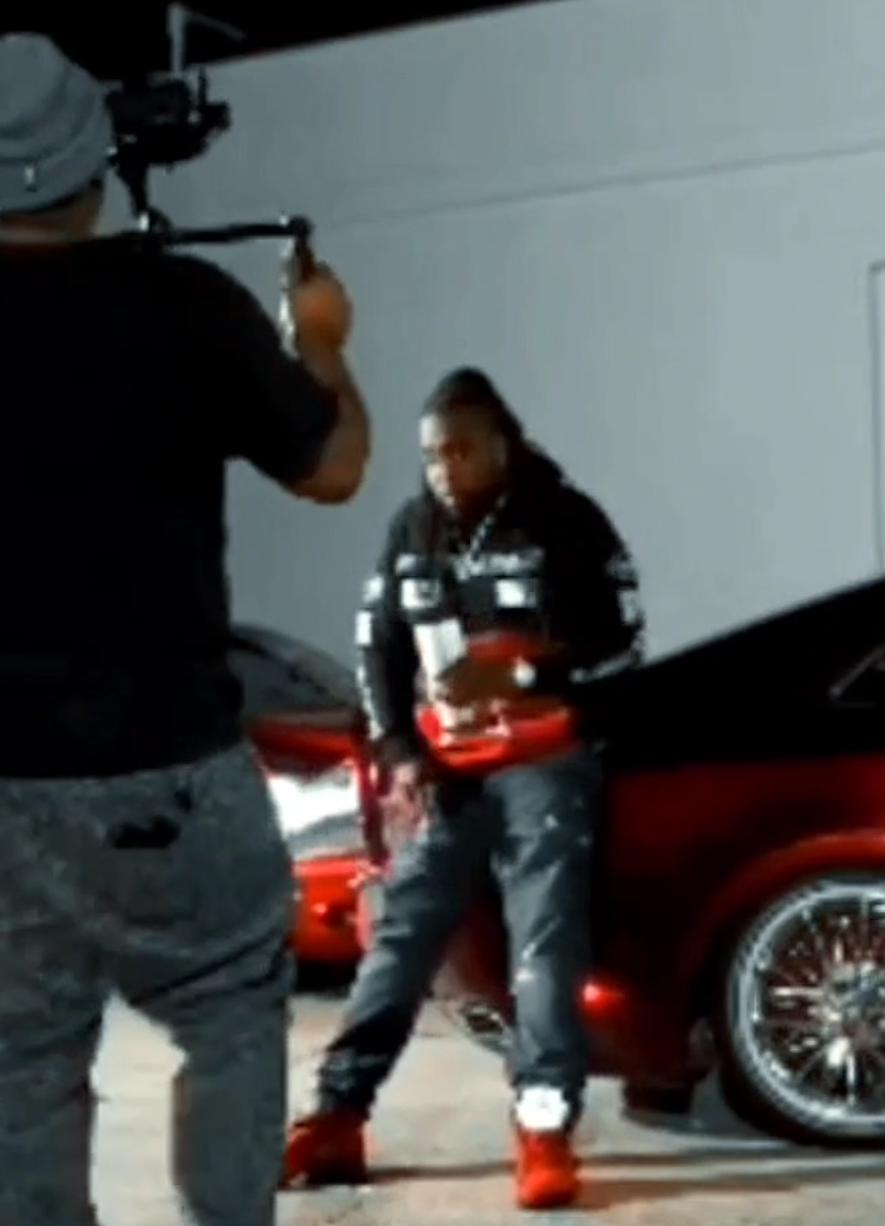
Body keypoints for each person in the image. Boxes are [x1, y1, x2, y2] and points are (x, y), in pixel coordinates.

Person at [0, 33, 369, 1226]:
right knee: (227, 1005)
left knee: (24, 1044)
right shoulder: (184, 303)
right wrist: (319, 339)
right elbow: (332, 468)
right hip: (157, 754)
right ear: (98, 156)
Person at [281, 367, 645, 1210]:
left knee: (543, 934)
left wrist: (518, 676)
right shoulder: (411, 529)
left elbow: (623, 646)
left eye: (460, 450)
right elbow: (377, 650)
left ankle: (544, 1124)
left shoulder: (567, 519)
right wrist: (401, 754)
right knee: (402, 930)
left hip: (546, 762)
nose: (444, 469)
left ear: (501, 444)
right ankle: (336, 1117)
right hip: (447, 772)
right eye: (432, 456)